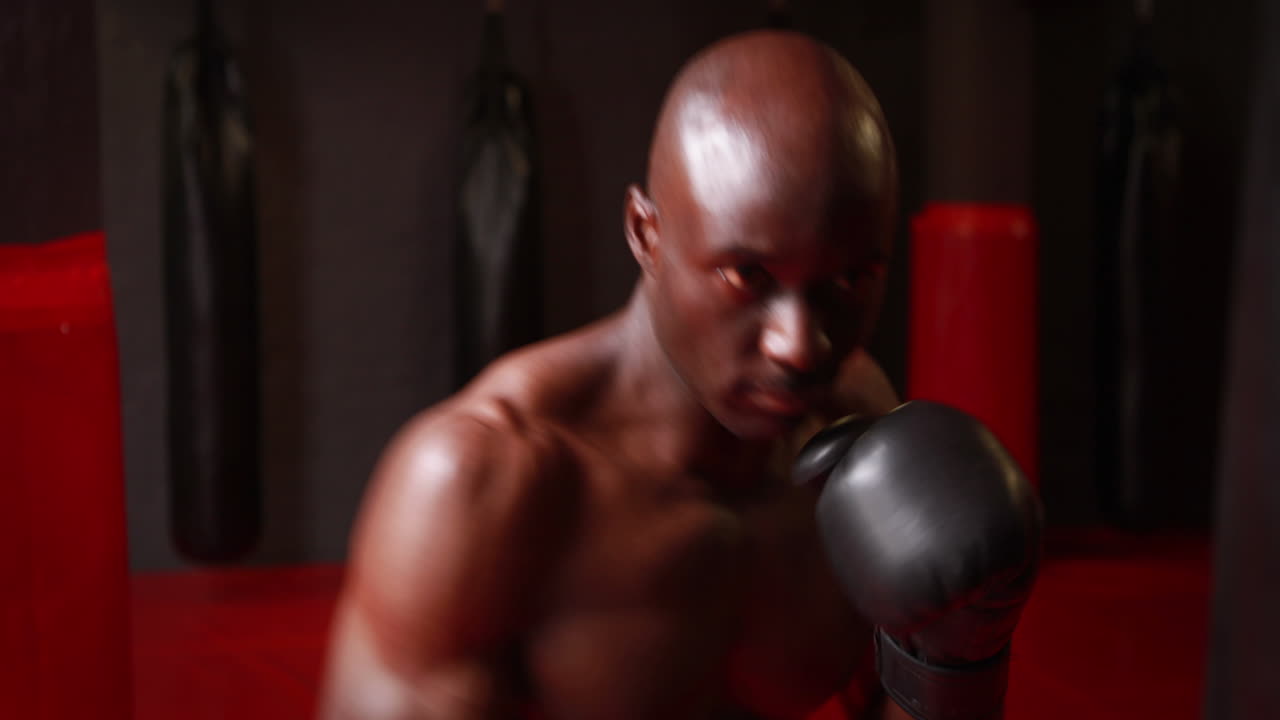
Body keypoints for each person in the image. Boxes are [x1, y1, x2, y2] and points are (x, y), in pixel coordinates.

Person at [319, 30, 1039, 720]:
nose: (800, 344)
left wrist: (958, 661)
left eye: (849, 281)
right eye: (746, 274)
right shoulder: (485, 485)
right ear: (645, 233)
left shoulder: (855, 426)